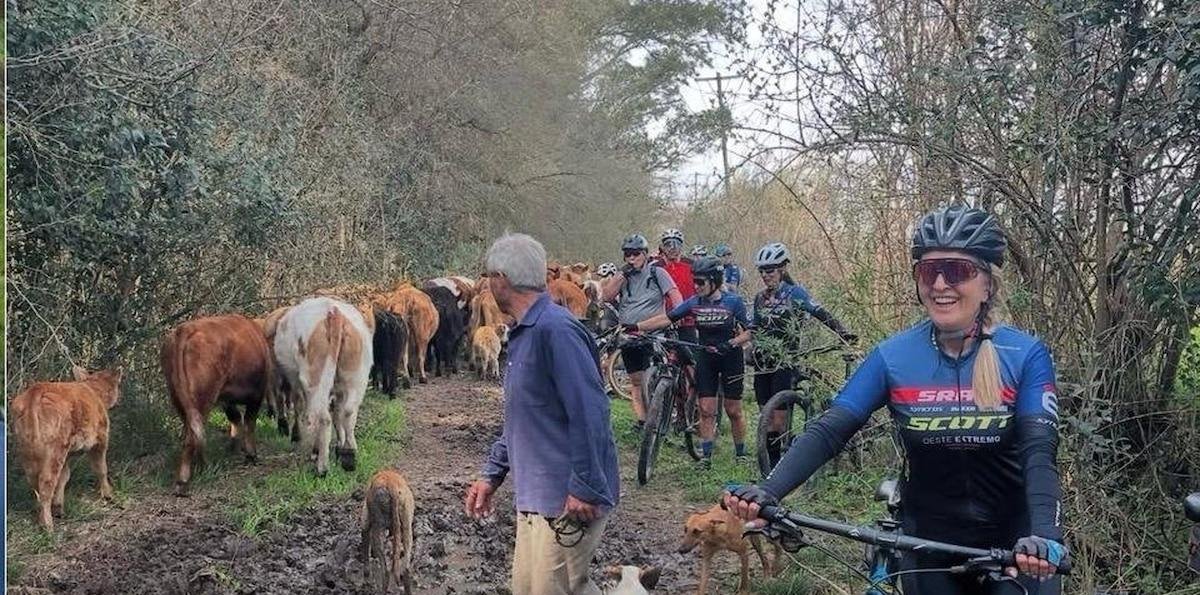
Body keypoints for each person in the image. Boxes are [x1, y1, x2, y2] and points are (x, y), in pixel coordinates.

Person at [725, 206, 1068, 594]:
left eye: (956, 271)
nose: (940, 284)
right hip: (927, 544)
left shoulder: (1024, 355)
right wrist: (770, 490)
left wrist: (1043, 535)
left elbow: (1039, 452)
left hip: (1017, 547)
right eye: (927, 271)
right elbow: (831, 429)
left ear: (987, 284)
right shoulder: (895, 356)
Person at [464, 233, 620, 595]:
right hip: (535, 498)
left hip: (565, 501)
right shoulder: (523, 333)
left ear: (501, 278)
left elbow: (591, 413)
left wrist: (584, 486)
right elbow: (524, 416)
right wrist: (492, 474)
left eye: (489, 277)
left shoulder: (557, 331)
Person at [630, 257, 752, 469]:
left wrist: (732, 343)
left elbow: (751, 331)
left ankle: (741, 453)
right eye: (694, 281)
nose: (696, 286)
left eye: (701, 282)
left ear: (714, 281)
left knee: (733, 410)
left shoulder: (733, 302)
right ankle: (706, 457)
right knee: (706, 409)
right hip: (705, 358)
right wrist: (635, 326)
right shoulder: (695, 302)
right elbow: (667, 318)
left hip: (731, 358)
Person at [750, 241, 856, 469]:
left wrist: (843, 333)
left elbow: (820, 313)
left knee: (777, 420)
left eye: (769, 270)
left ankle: (777, 467)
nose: (765, 275)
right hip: (762, 363)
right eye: (762, 271)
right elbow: (755, 329)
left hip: (785, 360)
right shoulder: (759, 298)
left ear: (782, 269)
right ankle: (771, 462)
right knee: (765, 419)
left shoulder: (794, 293)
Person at [601, 234, 681, 433]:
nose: (631, 258)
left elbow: (675, 295)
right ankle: (643, 422)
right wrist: (621, 275)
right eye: (627, 255)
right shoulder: (624, 276)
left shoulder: (657, 273)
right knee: (636, 381)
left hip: (654, 331)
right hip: (629, 333)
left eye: (636, 254)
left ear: (645, 254)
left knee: (652, 377)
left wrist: (677, 313)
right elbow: (607, 296)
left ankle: (668, 415)